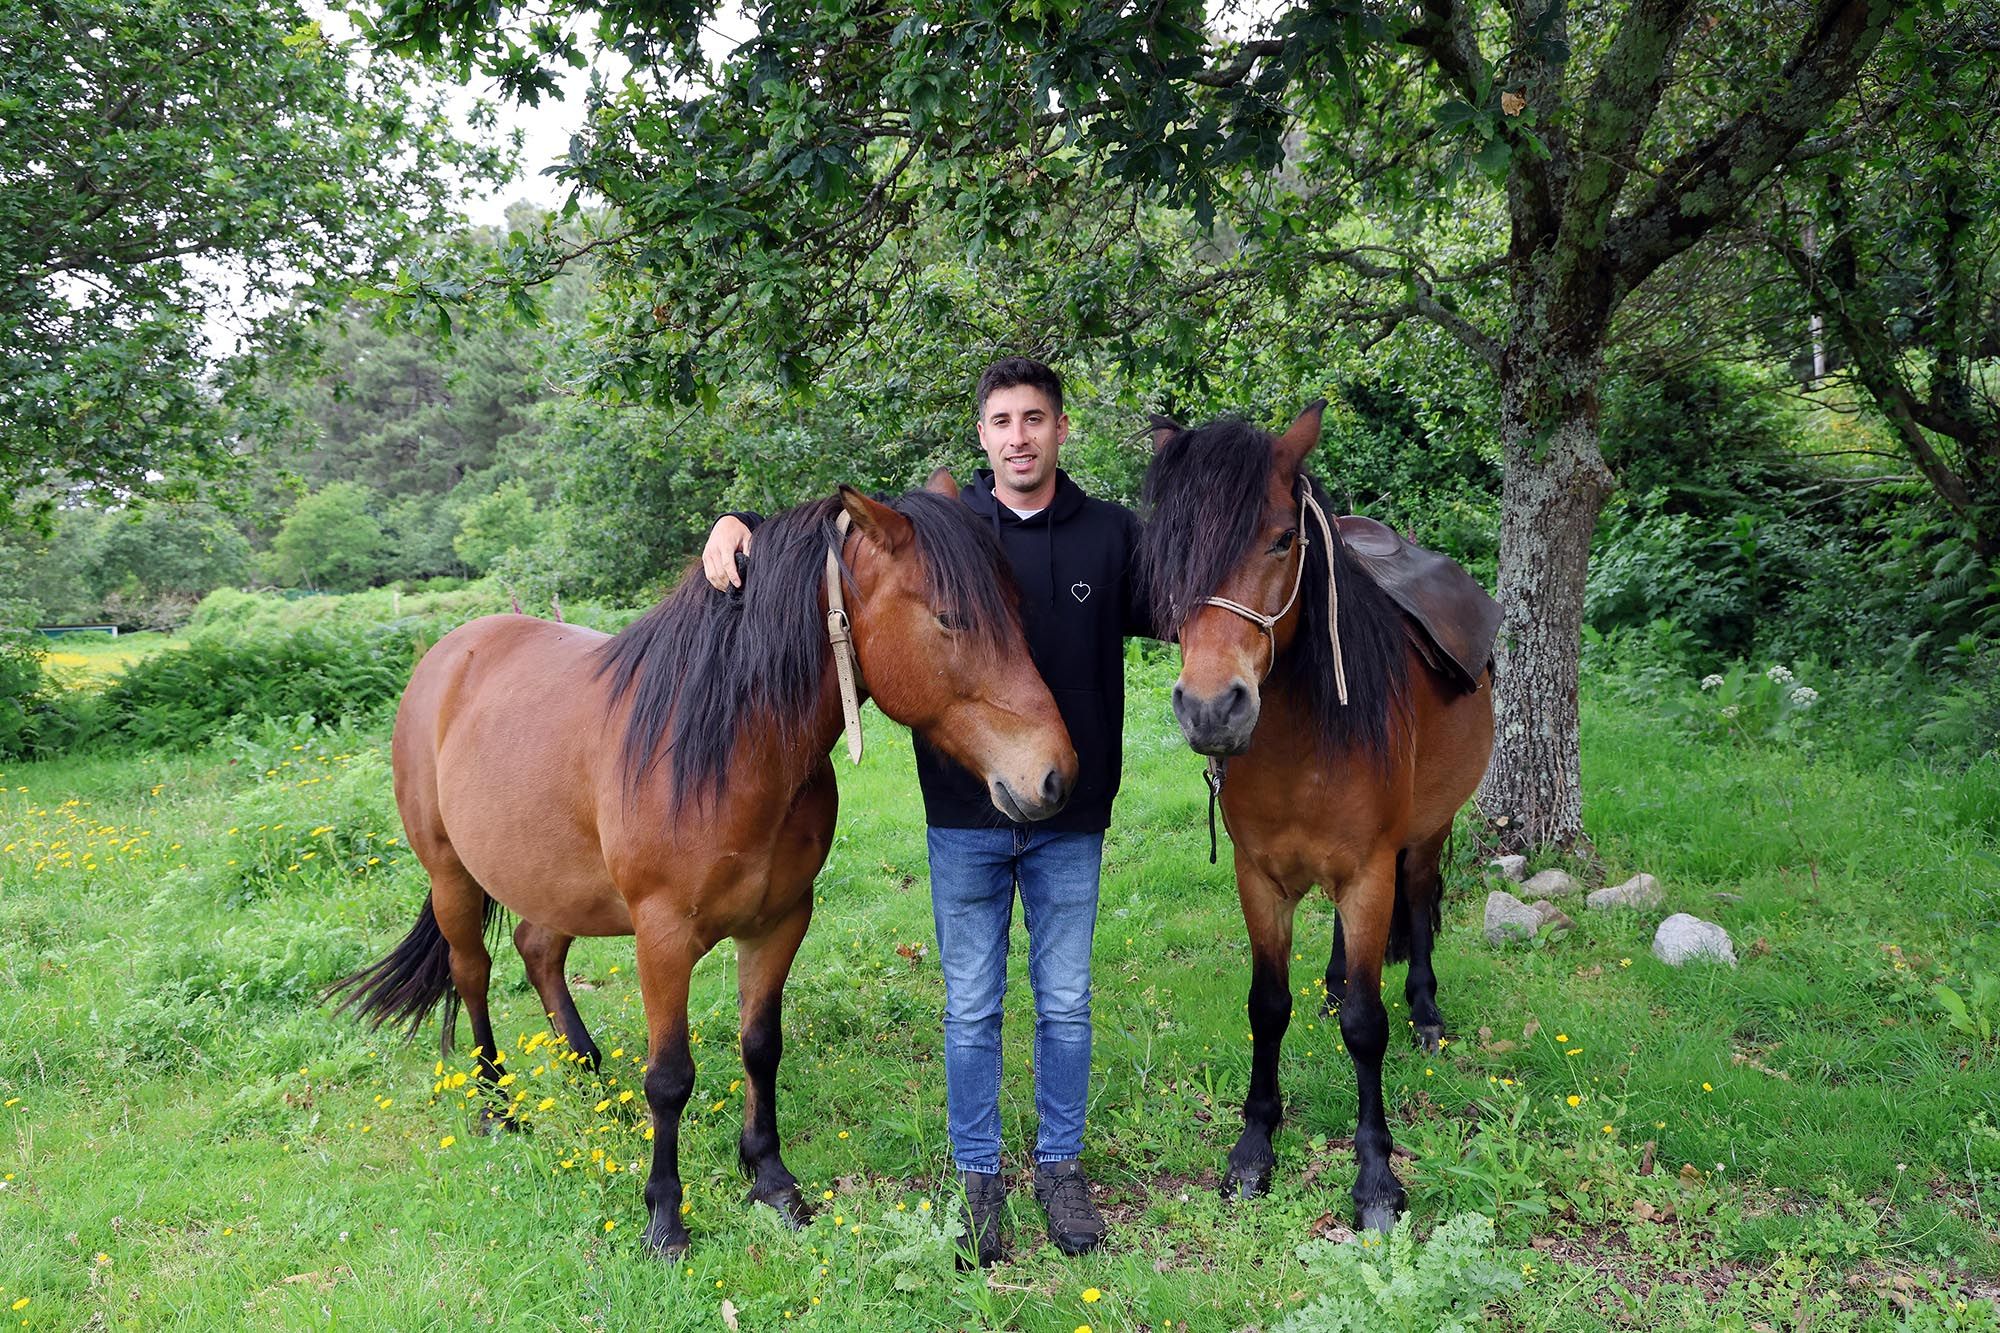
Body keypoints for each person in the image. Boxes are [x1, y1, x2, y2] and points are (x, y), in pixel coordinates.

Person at [700, 358, 1148, 1265]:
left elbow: (1202, 594)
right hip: (962, 815)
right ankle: (977, 1172)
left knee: (1065, 1002)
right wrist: (735, 521)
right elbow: (827, 530)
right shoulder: (946, 528)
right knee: (971, 1006)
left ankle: (1060, 1166)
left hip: (1070, 809)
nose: (1018, 436)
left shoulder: (1112, 536)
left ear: (1063, 428)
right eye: (1001, 421)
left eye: (1035, 418)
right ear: (981, 436)